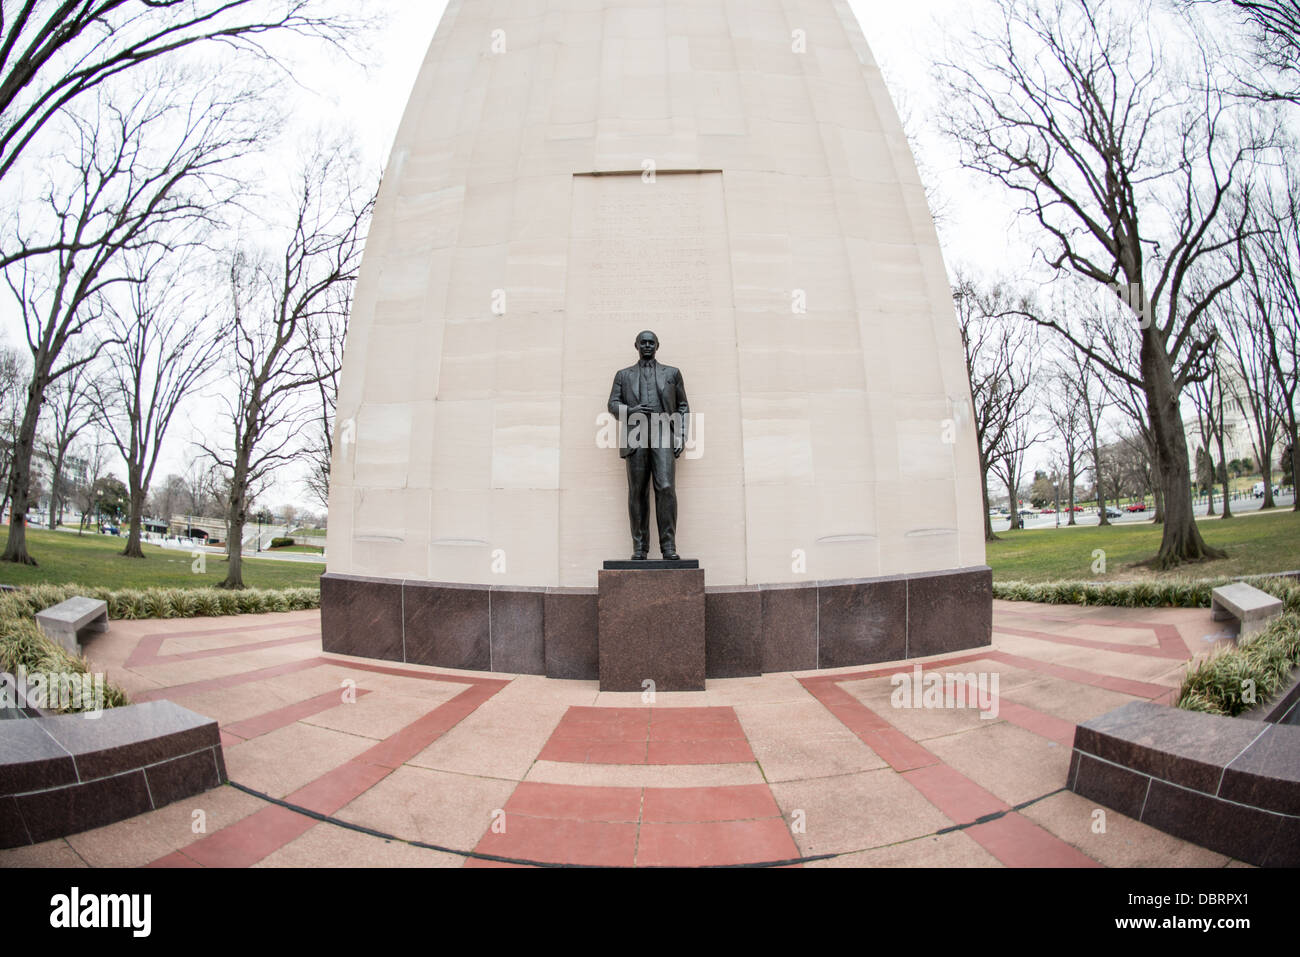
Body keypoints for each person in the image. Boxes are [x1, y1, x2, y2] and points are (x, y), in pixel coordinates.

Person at [607, 331, 690, 561]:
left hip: (664, 431)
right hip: (635, 434)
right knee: (637, 492)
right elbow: (612, 404)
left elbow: (683, 406)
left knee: (665, 487)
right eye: (642, 342)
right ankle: (640, 548)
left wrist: (680, 436)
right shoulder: (623, 375)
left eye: (650, 342)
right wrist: (631, 411)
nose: (646, 345)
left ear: (657, 346)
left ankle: (669, 546)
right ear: (635, 345)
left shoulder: (672, 373)